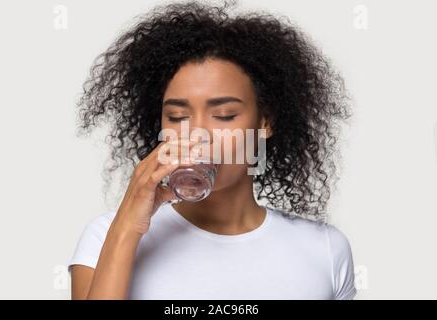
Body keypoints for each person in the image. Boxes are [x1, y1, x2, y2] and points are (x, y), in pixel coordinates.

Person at [68, 0, 356, 300]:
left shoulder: (325, 250)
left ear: (265, 122)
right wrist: (127, 226)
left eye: (224, 115)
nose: (198, 135)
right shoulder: (107, 236)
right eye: (177, 117)